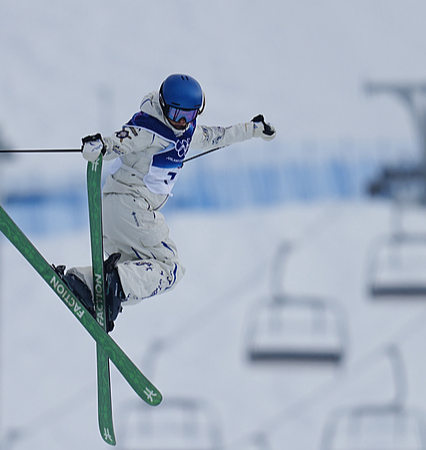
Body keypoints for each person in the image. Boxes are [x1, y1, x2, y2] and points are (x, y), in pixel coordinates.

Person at [56, 73, 276, 332]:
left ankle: (85, 282)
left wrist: (254, 129)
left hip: (116, 212)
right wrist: (99, 146)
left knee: (139, 268)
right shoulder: (150, 129)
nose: (181, 121)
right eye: (174, 113)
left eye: (188, 115)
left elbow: (220, 136)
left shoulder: (187, 133)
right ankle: (114, 284)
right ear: (162, 105)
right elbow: (122, 140)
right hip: (131, 206)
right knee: (169, 268)